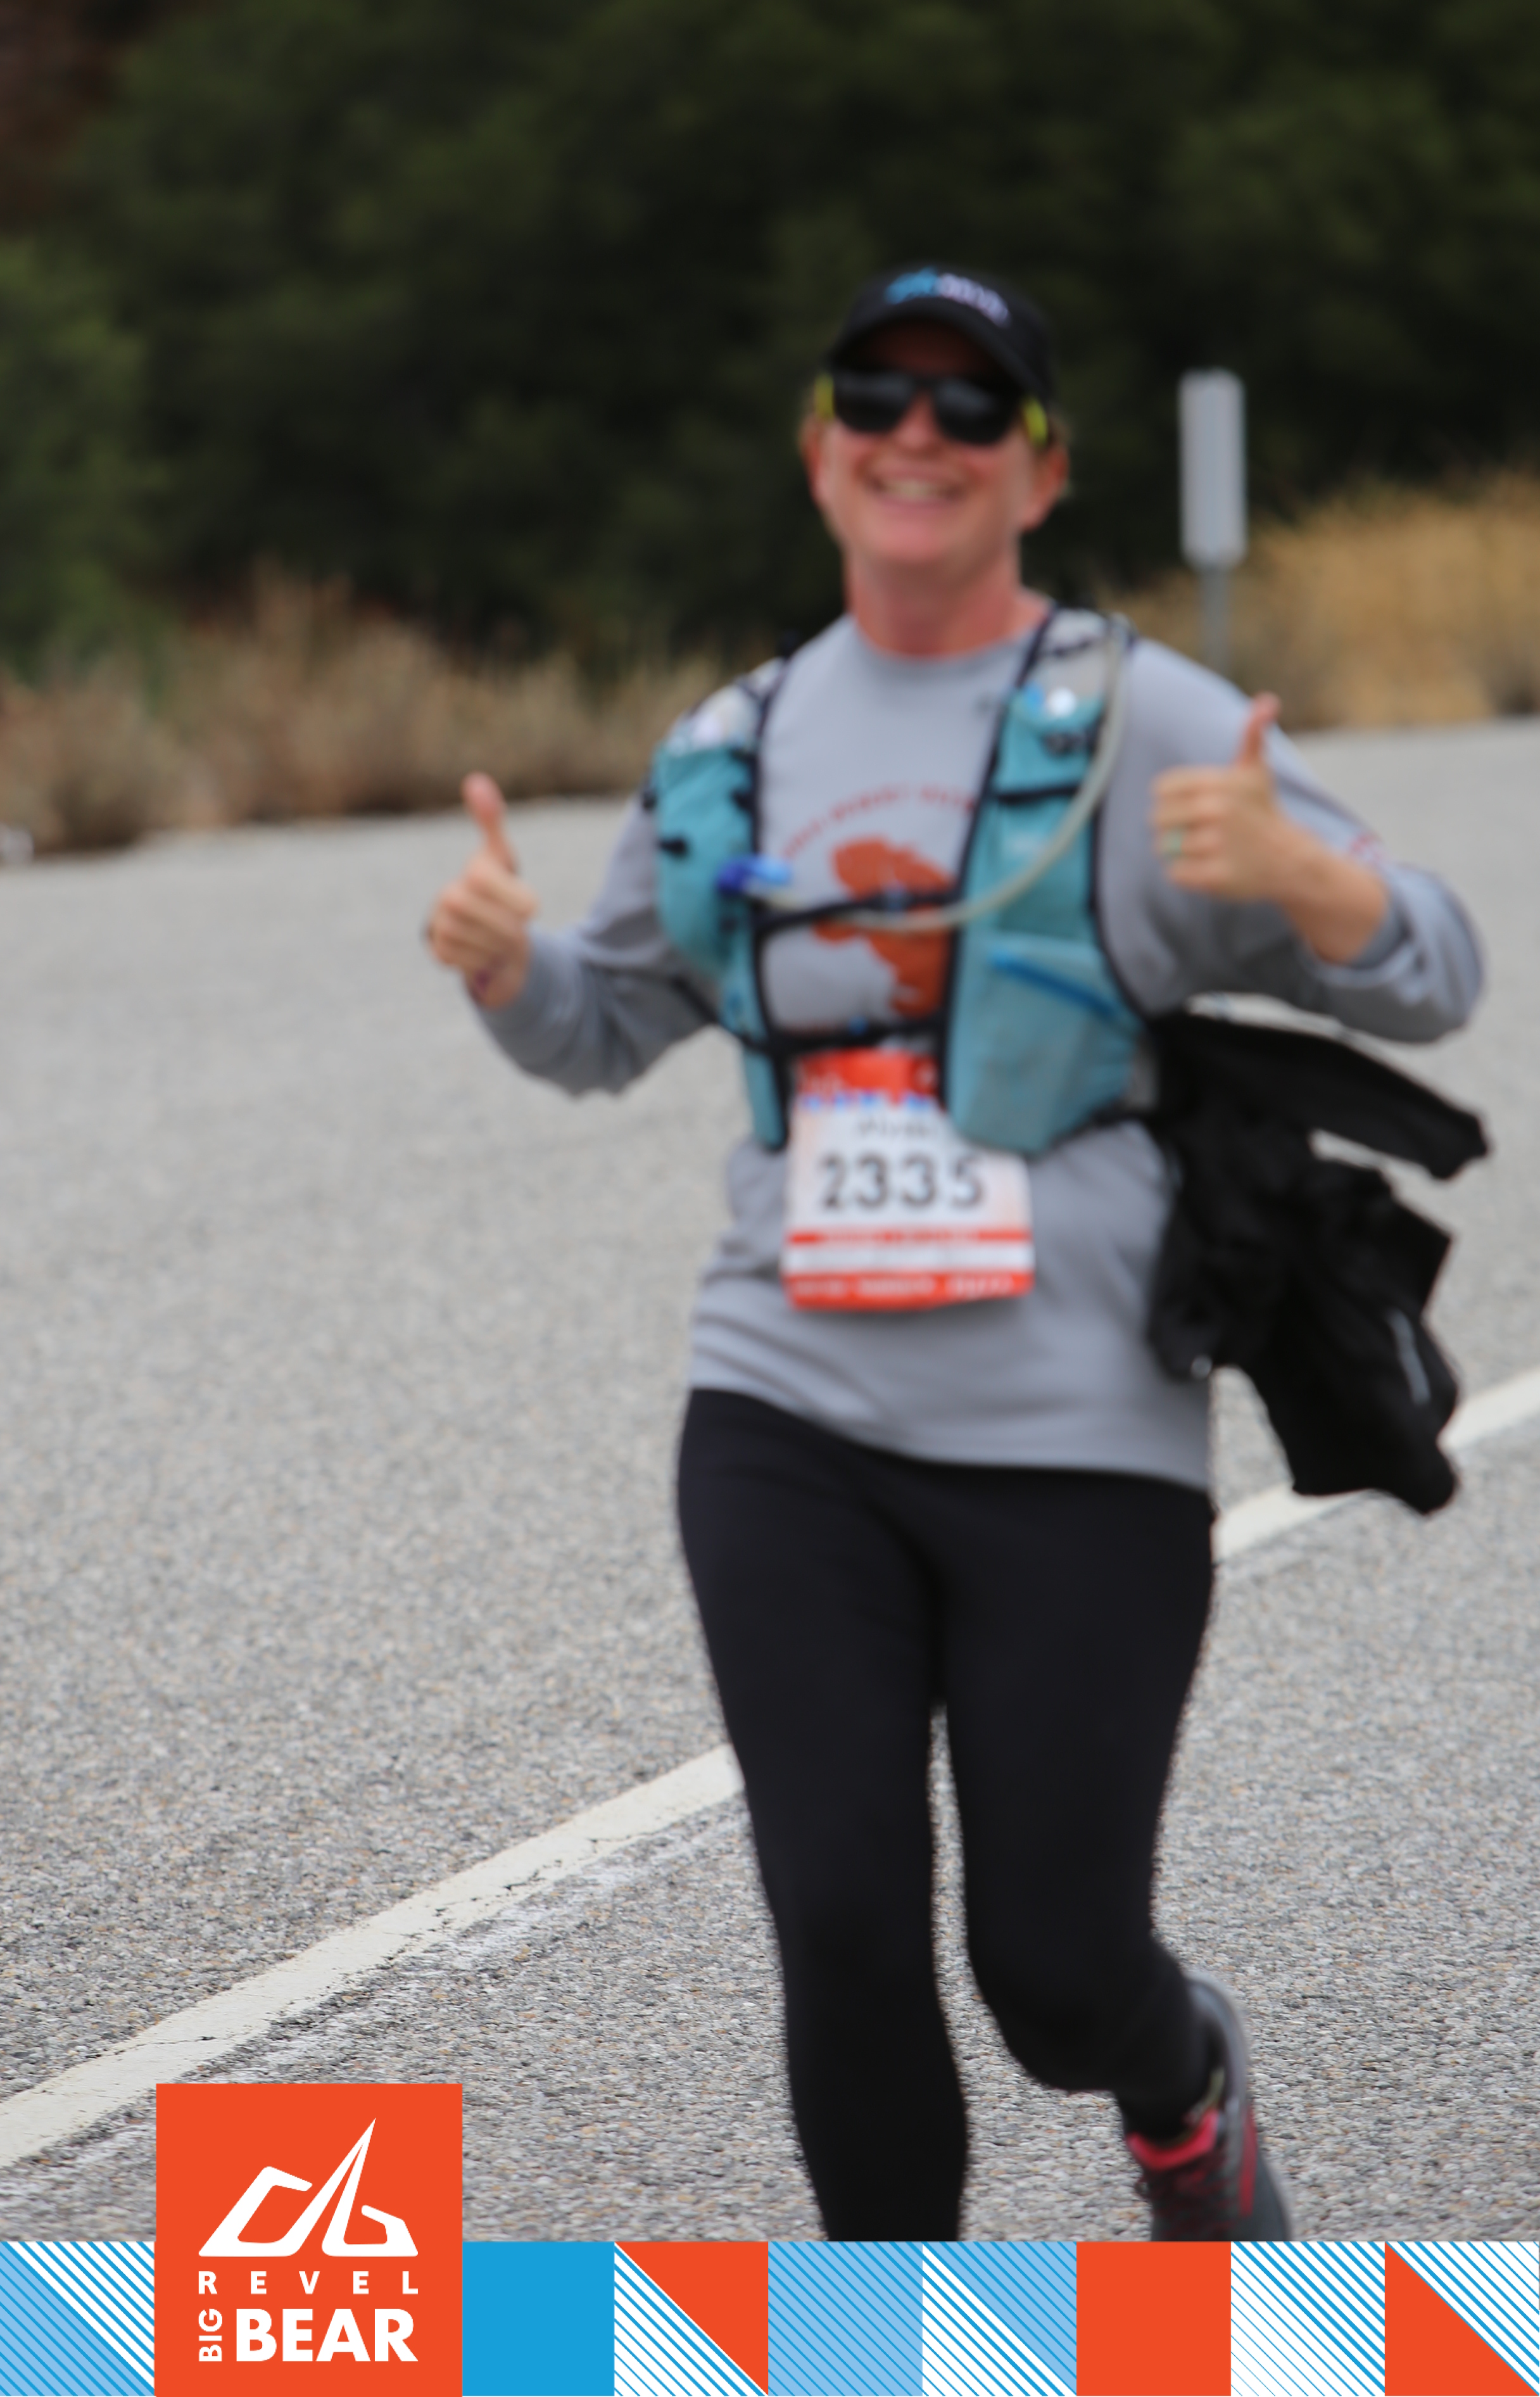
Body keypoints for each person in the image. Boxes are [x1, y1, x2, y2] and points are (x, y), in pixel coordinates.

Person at [425, 263, 1482, 2241]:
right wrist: (510, 967)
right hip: (786, 1417)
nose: (920, 433)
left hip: (1077, 1434)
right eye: (877, 397)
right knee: (839, 1924)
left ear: (1042, 471)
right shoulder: (731, 743)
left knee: (1059, 1971)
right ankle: (892, 2337)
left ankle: (1184, 2086)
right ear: (820, 453)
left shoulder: (1147, 721)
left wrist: (1312, 881)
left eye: (973, 405)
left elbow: (1436, 969)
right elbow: (602, 1024)